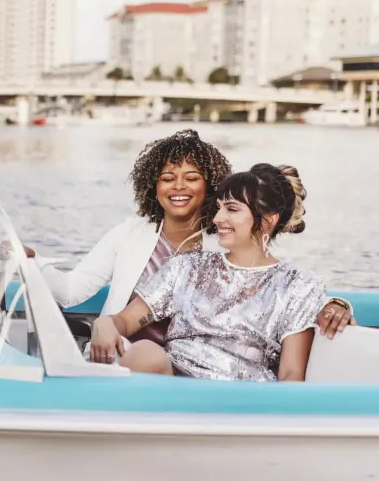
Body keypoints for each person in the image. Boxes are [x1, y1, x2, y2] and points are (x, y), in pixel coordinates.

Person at [23, 129, 354, 341]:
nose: (178, 186)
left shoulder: (227, 237)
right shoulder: (129, 234)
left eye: (191, 177)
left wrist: (337, 304)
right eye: (168, 178)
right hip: (122, 358)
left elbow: (271, 284)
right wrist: (31, 263)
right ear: (152, 187)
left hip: (190, 370)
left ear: (210, 185)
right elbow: (70, 292)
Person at [88, 163, 324, 381]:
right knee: (144, 352)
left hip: (242, 400)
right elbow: (126, 320)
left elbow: (292, 374)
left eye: (232, 209)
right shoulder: (186, 267)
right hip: (171, 385)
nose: (218, 218)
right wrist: (105, 324)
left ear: (268, 220)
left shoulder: (297, 285)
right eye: (219, 208)